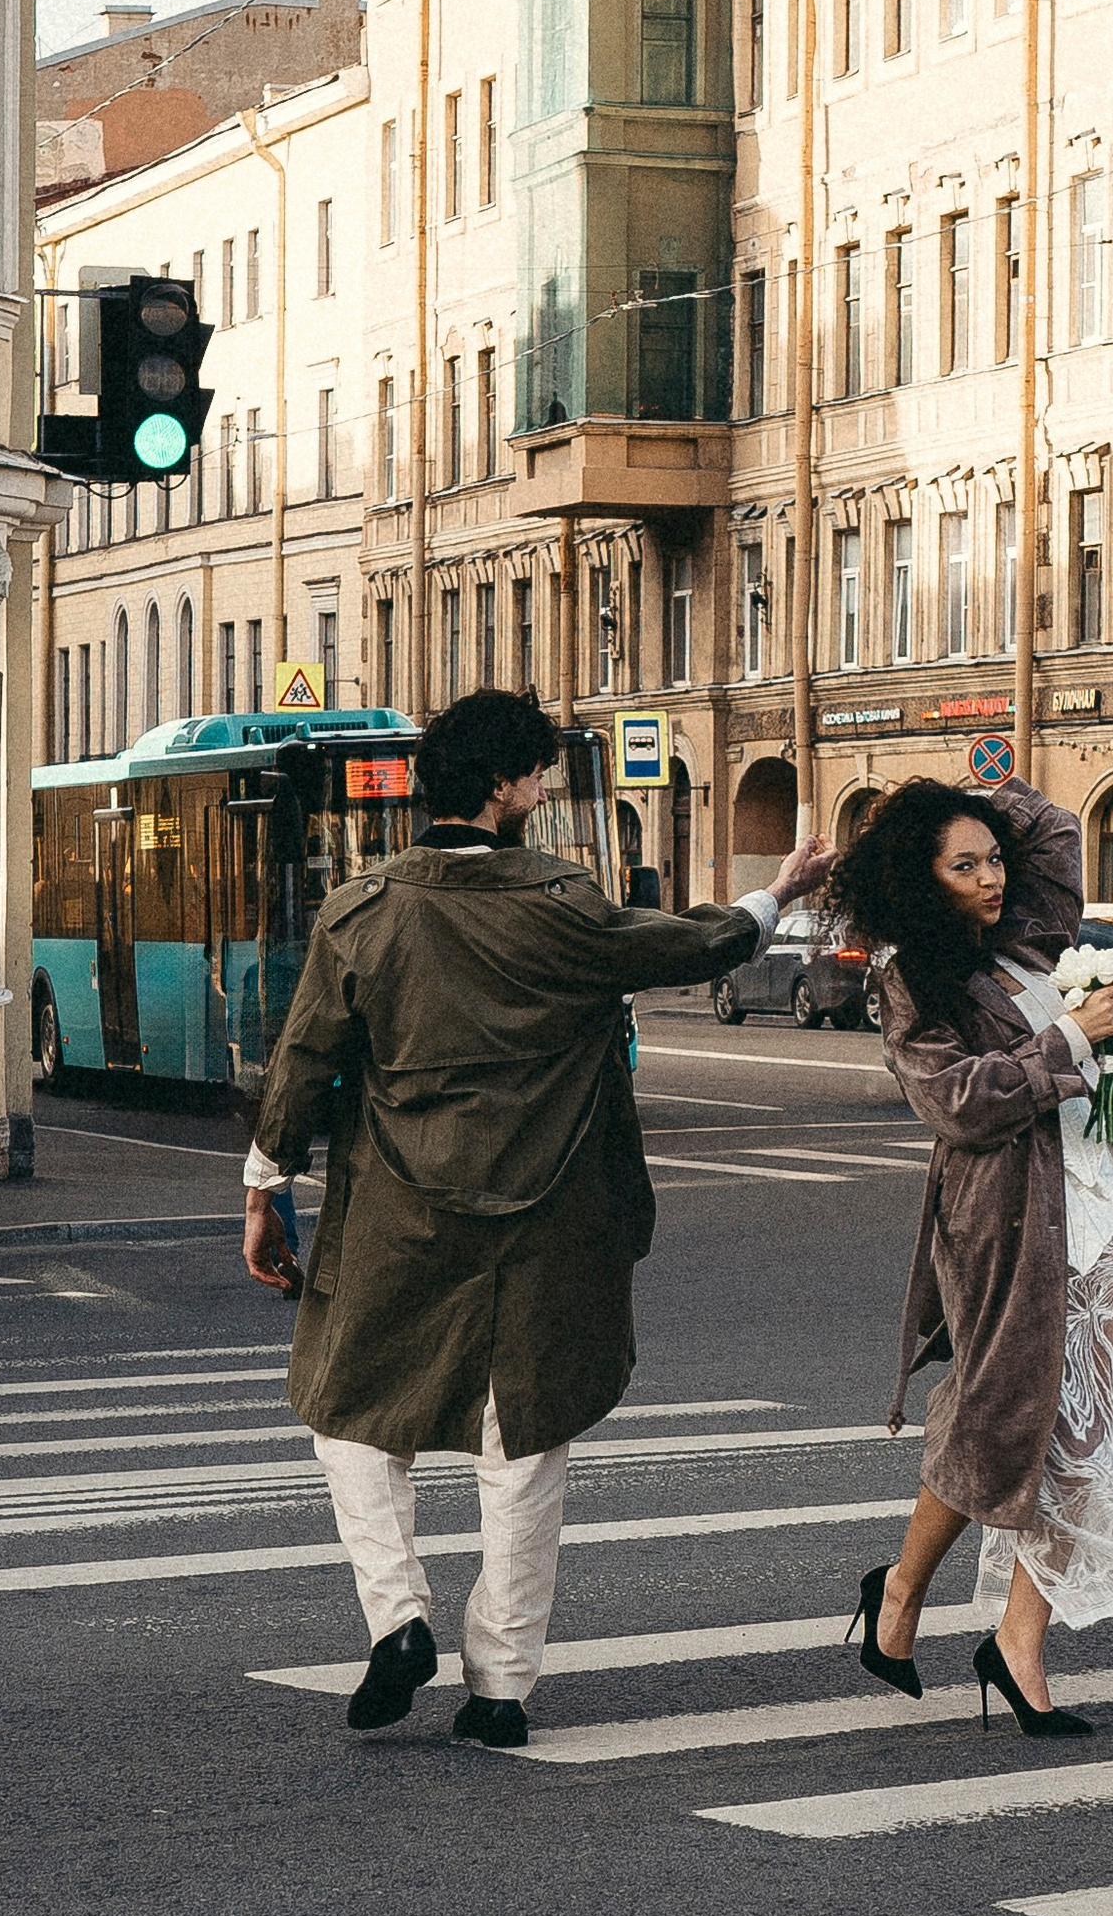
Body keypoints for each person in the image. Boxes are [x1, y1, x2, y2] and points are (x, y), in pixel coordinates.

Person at [242, 690, 832, 1749]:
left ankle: (398, 1618)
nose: (547, 790)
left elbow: (303, 1060)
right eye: (538, 775)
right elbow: (683, 950)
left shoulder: (362, 908)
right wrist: (773, 895)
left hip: (394, 1211)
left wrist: (264, 1186)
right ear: (509, 788)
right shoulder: (564, 904)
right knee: (522, 1443)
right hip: (548, 1213)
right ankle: (500, 1687)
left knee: (345, 1415)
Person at [826, 775, 1113, 1735]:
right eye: (963, 864)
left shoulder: (1029, 938)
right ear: (919, 881)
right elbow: (954, 1102)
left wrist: (956, 792)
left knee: (1077, 1438)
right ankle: (898, 1595)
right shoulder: (913, 981)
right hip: (1011, 1223)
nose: (989, 876)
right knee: (996, 1416)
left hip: (1098, 1210)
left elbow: (1056, 827)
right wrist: (1069, 1035)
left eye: (991, 860)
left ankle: (1018, 1643)